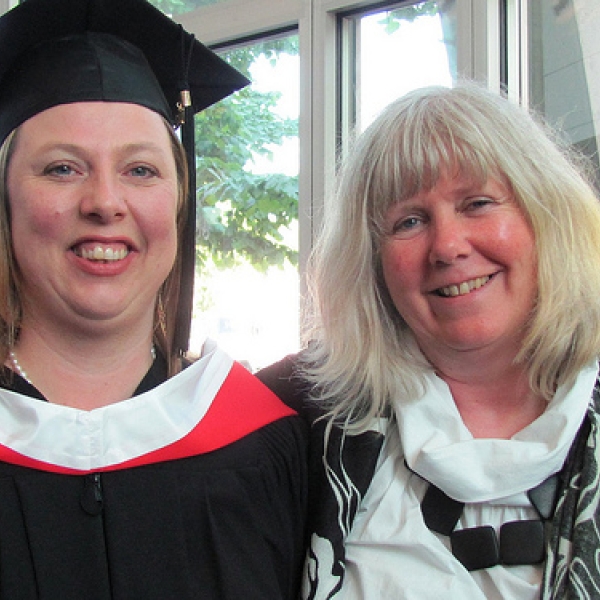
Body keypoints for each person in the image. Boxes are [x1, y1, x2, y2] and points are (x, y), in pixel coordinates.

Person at [0, 0, 307, 598]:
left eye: (141, 170)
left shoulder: (272, 442)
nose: (105, 202)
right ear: (5, 205)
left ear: (178, 203)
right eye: (62, 168)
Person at [258, 83, 600, 599]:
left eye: (478, 203)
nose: (447, 246)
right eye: (409, 221)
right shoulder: (290, 418)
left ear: (544, 214)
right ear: (371, 260)